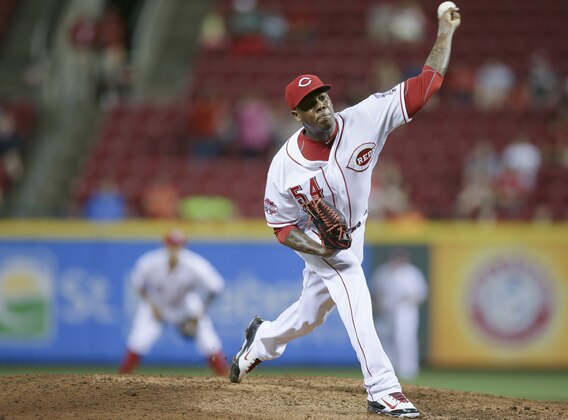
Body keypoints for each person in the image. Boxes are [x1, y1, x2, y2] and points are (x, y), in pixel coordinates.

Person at [229, 5, 460, 418]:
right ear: (296, 115)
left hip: (357, 225)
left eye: (322, 95)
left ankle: (261, 340)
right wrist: (321, 250)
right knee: (350, 278)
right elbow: (281, 228)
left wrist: (444, 30)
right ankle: (383, 388)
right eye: (309, 103)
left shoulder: (366, 117)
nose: (321, 105)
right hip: (315, 236)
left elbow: (427, 84)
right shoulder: (284, 168)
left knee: (311, 314)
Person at [119, 228, 228, 376]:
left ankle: (225, 378)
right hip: (156, 305)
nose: (174, 249)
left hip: (185, 305)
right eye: (172, 245)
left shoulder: (194, 264)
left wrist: (201, 311)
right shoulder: (150, 262)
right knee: (139, 341)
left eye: (178, 246)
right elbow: (137, 283)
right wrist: (151, 304)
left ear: (183, 247)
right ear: (165, 245)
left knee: (209, 342)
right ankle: (120, 380)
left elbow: (216, 286)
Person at [371, 250, 428, 380]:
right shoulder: (384, 271)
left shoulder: (412, 273)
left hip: (405, 311)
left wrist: (410, 299)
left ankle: (408, 369)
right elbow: (377, 291)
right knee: (384, 338)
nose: (397, 261)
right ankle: (389, 367)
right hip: (386, 310)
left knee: (405, 339)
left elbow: (421, 294)